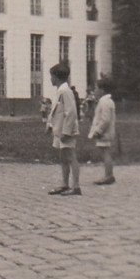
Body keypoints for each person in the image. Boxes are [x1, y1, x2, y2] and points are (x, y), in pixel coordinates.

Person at [46, 63, 81, 196]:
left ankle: (76, 186)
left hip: (67, 131)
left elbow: (71, 113)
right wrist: (50, 126)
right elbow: (56, 112)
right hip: (60, 131)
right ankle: (65, 184)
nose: (50, 79)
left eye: (51, 76)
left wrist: (66, 132)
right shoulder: (60, 91)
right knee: (63, 158)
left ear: (57, 77)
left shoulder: (66, 91)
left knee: (71, 157)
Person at [88, 78, 117, 185]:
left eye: (96, 88)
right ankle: (108, 174)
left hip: (104, 133)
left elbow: (105, 119)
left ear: (102, 90)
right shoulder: (107, 101)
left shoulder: (104, 102)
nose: (94, 91)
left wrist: (98, 131)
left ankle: (108, 176)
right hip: (106, 132)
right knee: (105, 152)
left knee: (106, 153)